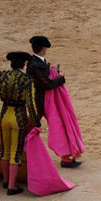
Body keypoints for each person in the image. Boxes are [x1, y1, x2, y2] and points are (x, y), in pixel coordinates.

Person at [0, 51, 39, 195]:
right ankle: (12, 186)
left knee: (5, 149)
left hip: (5, 114)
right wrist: (36, 123)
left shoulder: (1, 77)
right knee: (16, 151)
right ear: (24, 64)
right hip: (18, 117)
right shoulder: (27, 80)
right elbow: (31, 104)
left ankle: (6, 180)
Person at [26, 35, 79, 168]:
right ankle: (22, 155)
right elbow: (47, 84)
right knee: (55, 126)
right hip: (43, 100)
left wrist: (51, 70)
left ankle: (65, 157)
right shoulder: (36, 64)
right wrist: (61, 78)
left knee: (38, 126)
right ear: (43, 48)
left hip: (40, 99)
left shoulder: (35, 61)